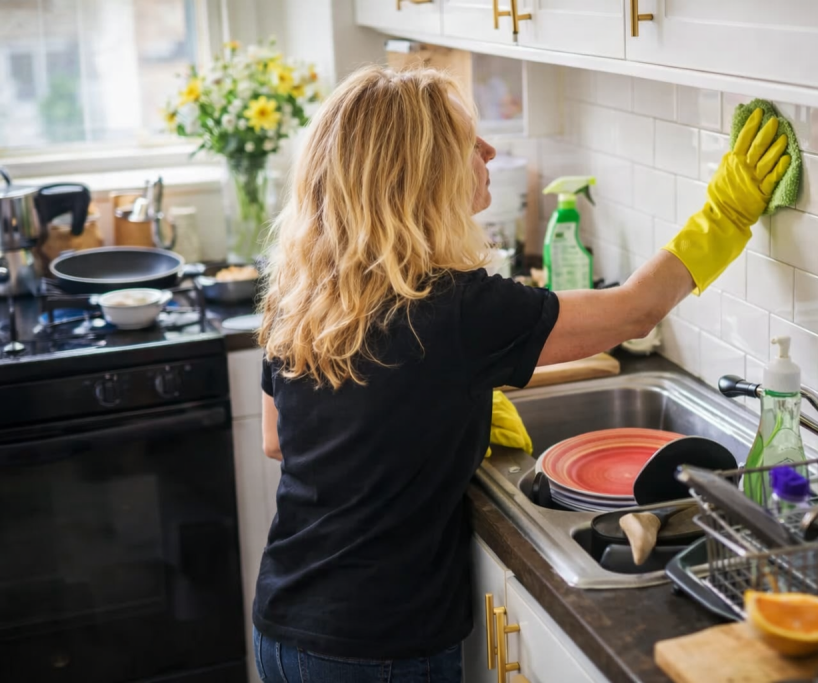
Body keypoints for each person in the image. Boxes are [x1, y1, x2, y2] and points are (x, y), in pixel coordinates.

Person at [254, 65, 789, 683]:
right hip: (382, 643)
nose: (489, 151)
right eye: (466, 141)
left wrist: (429, 405)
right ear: (420, 175)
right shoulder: (456, 309)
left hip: (285, 622)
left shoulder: (306, 289)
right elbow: (636, 311)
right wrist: (727, 212)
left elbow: (277, 439)